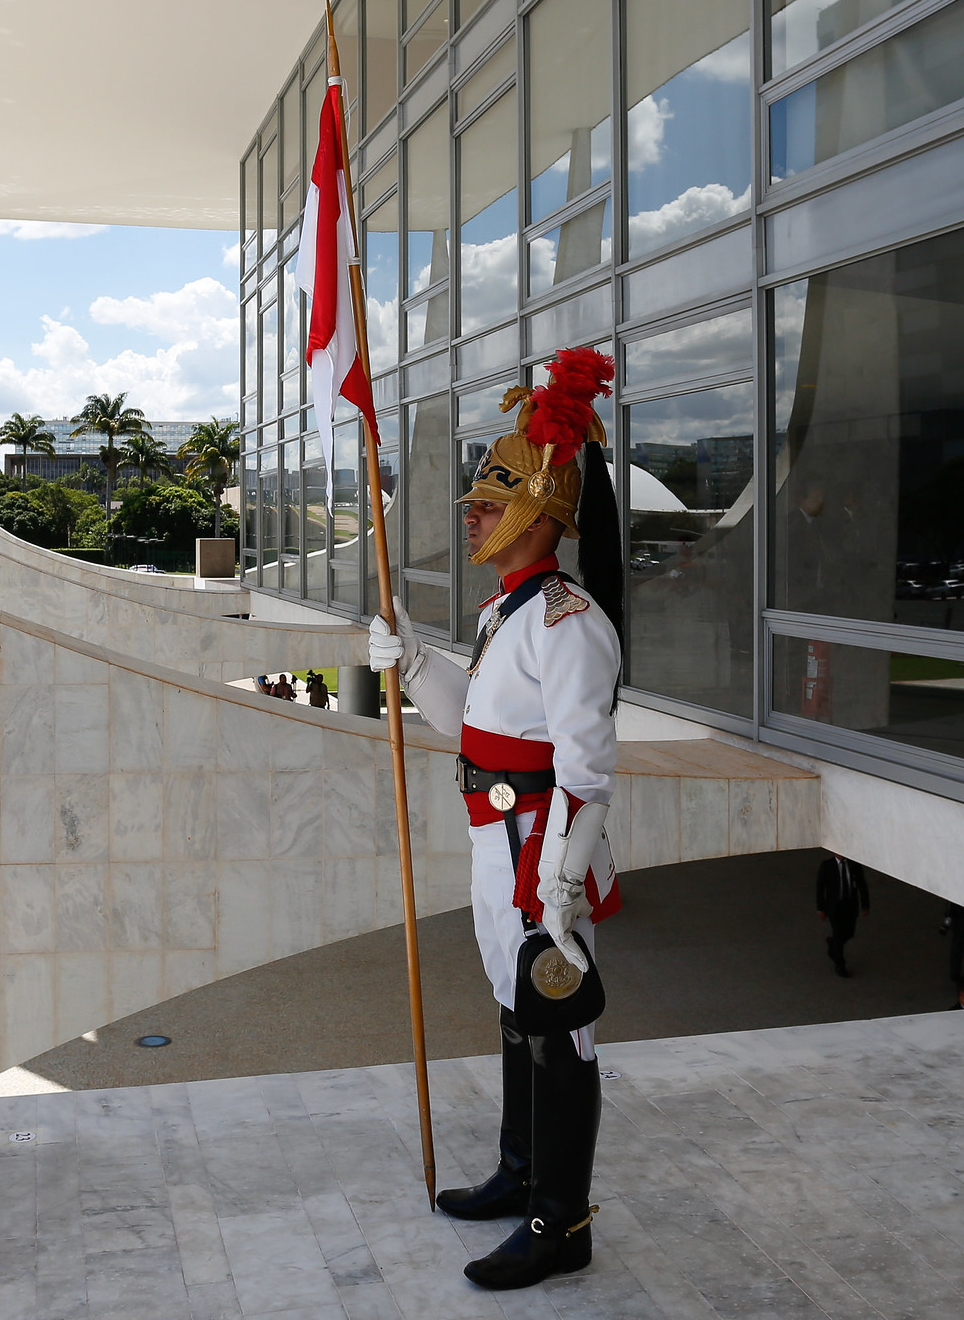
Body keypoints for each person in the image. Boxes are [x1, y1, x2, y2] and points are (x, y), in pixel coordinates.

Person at [368, 347, 622, 1291]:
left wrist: (561, 881)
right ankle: (521, 1176)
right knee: (517, 1014)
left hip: (539, 856)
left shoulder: (568, 621)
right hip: (493, 840)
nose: (470, 513)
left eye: (487, 500)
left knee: (559, 1025)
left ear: (537, 511)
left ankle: (563, 1221)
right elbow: (474, 725)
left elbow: (587, 770)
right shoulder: (504, 615)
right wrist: (409, 660)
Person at [814, 853, 870, 977]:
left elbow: (862, 884)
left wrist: (865, 904)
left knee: (849, 932)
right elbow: (820, 887)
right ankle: (840, 965)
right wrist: (820, 908)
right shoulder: (827, 866)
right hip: (835, 907)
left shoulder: (854, 864)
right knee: (839, 935)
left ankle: (833, 945)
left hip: (850, 906)